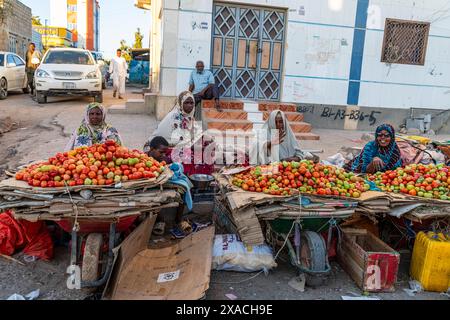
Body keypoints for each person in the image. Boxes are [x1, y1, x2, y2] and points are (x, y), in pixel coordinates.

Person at [145, 90, 215, 176]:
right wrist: (189, 147)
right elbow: (163, 142)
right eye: (186, 103)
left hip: (184, 149)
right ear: (180, 103)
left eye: (192, 103)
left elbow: (198, 134)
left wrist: (207, 140)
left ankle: (201, 177)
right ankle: (190, 176)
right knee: (189, 158)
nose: (190, 105)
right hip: (168, 150)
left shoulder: (190, 118)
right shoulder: (172, 117)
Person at [250, 110, 316, 165]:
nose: (278, 124)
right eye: (275, 122)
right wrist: (270, 143)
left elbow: (299, 154)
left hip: (286, 170)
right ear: (270, 122)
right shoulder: (263, 133)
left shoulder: (288, 134)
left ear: (284, 122)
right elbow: (255, 145)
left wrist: (288, 160)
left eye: (281, 122)